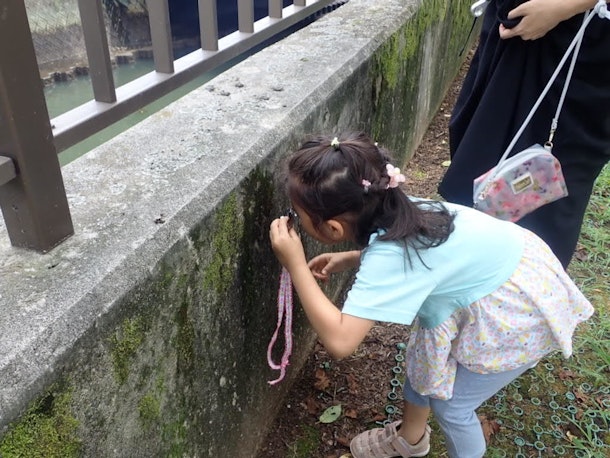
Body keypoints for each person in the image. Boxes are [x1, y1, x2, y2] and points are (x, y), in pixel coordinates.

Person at [268, 132, 594, 458]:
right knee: (426, 361)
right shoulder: (403, 208)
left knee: (452, 407)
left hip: (519, 315)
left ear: (333, 228)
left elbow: (341, 341)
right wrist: (353, 258)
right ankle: (411, 439)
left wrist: (296, 265)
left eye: (299, 215)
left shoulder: (390, 257)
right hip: (517, 269)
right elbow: (409, 253)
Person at [438, 0, 610, 268]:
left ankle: (528, 287)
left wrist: (566, 6)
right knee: (479, 174)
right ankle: (468, 275)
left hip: (576, 45)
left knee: (543, 194)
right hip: (514, 37)